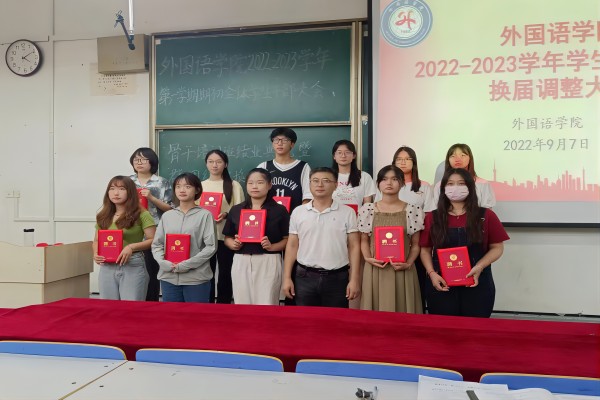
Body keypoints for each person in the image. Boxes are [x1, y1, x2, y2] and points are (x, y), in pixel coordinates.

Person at [420, 168, 509, 318]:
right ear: (443, 188)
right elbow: (425, 250)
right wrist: (432, 273)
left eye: (461, 183)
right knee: (443, 327)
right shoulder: (432, 217)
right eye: (450, 184)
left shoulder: (486, 215)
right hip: (441, 283)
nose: (455, 188)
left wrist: (479, 266)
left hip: (477, 282)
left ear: (470, 187)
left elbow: (497, 247)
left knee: (475, 327)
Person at [282, 167, 361, 308]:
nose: (320, 185)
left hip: (338, 277)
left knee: (336, 319)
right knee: (305, 319)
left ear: (335, 185)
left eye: (326, 181)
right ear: (309, 184)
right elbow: (292, 245)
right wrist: (287, 277)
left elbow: (354, 246)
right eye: (315, 181)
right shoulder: (298, 212)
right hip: (304, 277)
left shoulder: (347, 212)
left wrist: (354, 279)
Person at [358, 165, 424, 313]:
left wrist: (408, 263)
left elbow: (415, 244)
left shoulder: (413, 210)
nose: (389, 183)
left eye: (394, 179)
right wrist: (368, 258)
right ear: (378, 184)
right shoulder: (367, 209)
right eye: (384, 179)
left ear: (402, 183)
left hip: (403, 268)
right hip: (375, 268)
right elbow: (363, 240)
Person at [374, 146, 430, 310]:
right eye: (399, 159)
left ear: (414, 162)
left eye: (407, 159)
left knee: (413, 286)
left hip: (413, 244)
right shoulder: (385, 187)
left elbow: (429, 215)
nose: (403, 162)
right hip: (385, 245)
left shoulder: (424, 186)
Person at [223, 168, 289, 305]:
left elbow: (287, 239)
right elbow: (227, 237)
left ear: (269, 185)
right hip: (241, 259)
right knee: (242, 303)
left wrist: (272, 246)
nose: (254, 186)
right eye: (250, 183)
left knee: (267, 303)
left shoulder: (280, 210)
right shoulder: (236, 209)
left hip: (268, 259)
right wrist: (233, 244)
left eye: (260, 182)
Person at [152, 173, 217, 303]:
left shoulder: (205, 215)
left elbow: (211, 247)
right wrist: (163, 263)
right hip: (169, 277)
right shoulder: (167, 216)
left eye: (187, 186)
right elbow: (157, 244)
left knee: (196, 315)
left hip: (196, 279)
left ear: (197, 190)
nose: (182, 190)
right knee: (172, 315)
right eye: (178, 186)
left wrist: (186, 265)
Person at [93, 176, 156, 301]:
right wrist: (95, 253)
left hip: (132, 263)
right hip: (107, 265)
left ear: (130, 192)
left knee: (131, 307)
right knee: (108, 308)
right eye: (112, 189)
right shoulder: (103, 215)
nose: (116, 193)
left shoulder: (142, 214)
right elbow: (96, 240)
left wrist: (131, 247)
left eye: (121, 189)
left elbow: (153, 240)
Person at [129, 147, 173, 301]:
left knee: (151, 271)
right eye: (136, 159)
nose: (139, 162)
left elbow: (170, 209)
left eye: (143, 159)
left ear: (152, 162)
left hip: (154, 232)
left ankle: (151, 303)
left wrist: (152, 198)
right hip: (132, 231)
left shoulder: (162, 182)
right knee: (132, 272)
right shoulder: (127, 182)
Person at [202, 149, 245, 304]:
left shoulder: (234, 185)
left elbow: (241, 211)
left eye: (219, 162)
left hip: (226, 237)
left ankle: (224, 305)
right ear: (206, 164)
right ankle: (207, 305)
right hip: (205, 238)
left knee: (226, 274)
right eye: (211, 162)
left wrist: (226, 214)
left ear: (225, 164)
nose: (215, 165)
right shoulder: (200, 186)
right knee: (206, 274)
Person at [425, 143, 496, 212]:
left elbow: (487, 212)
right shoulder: (440, 185)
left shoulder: (483, 184)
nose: (457, 159)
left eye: (463, 155)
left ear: (470, 158)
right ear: (448, 160)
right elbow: (436, 210)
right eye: (453, 156)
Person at [257, 127, 312, 212]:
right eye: (276, 140)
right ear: (272, 143)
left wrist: (300, 215)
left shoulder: (303, 167)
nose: (280, 143)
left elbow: (307, 197)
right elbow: (256, 194)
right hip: (268, 215)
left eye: (285, 140)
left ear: (292, 144)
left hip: (293, 216)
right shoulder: (263, 167)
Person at [331, 139, 376, 209]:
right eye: (339, 153)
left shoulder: (364, 176)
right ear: (334, 156)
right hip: (332, 215)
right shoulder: (328, 176)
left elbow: (367, 205)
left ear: (354, 155)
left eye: (347, 152)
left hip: (357, 215)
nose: (343, 156)